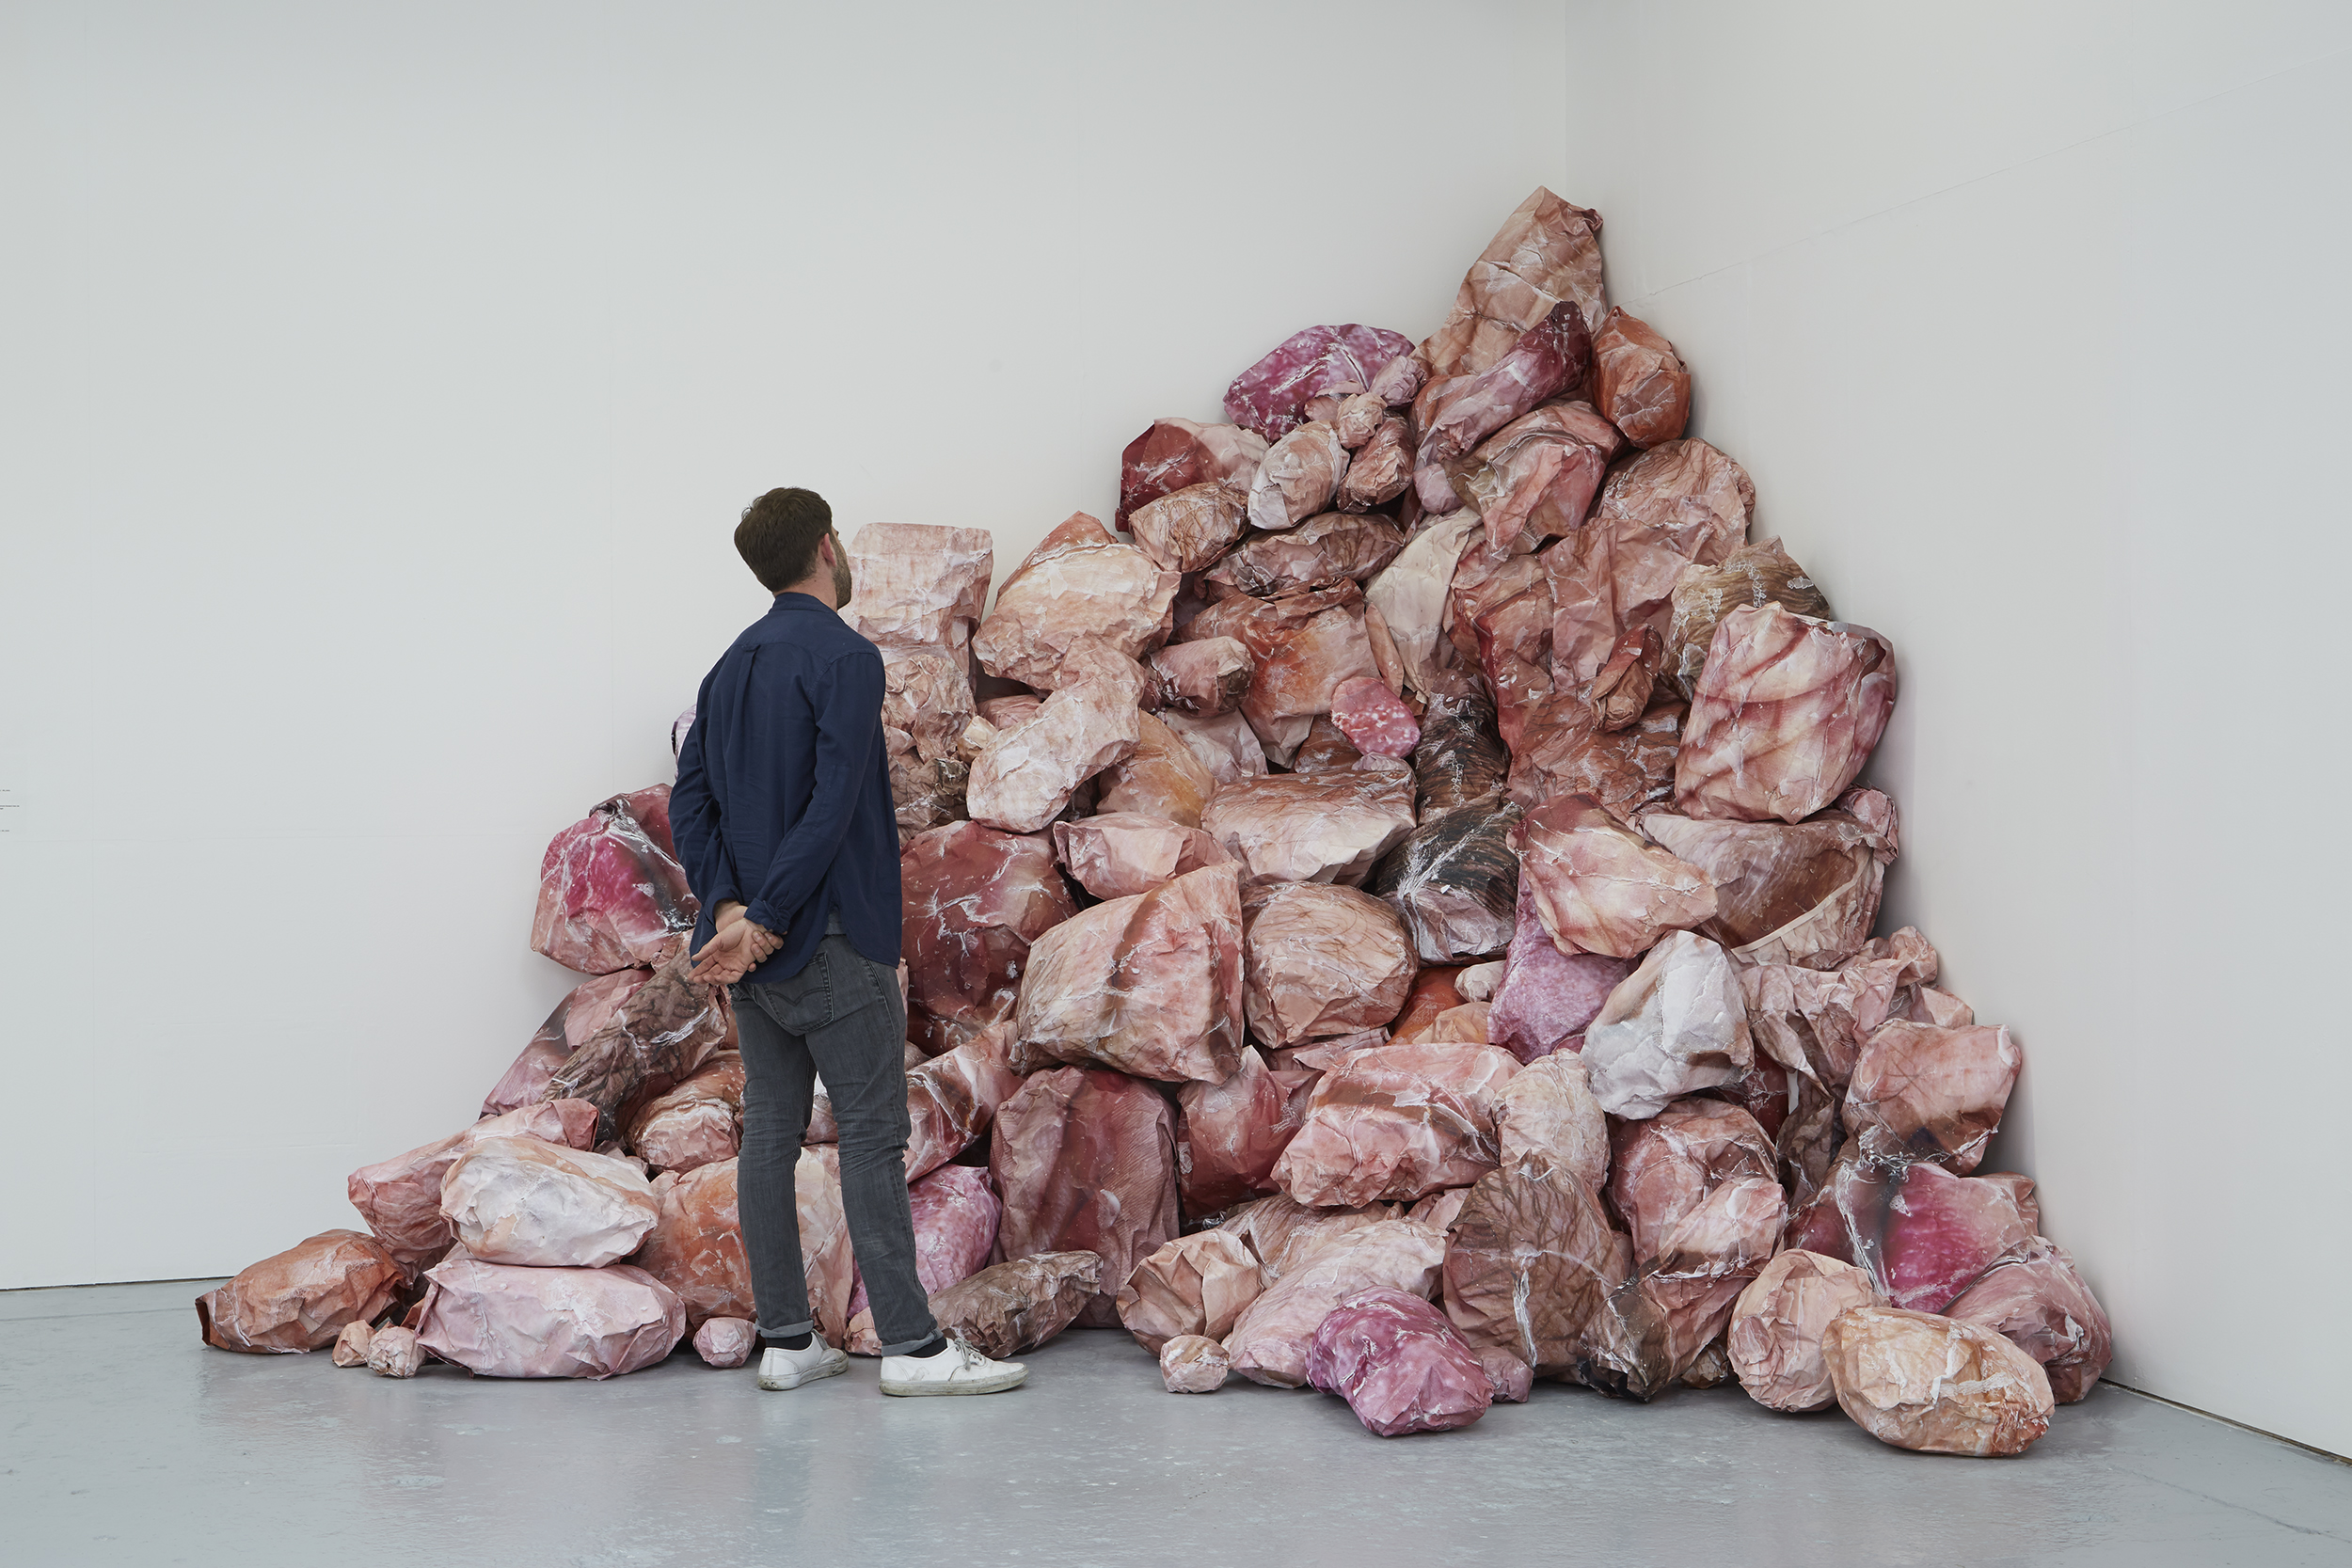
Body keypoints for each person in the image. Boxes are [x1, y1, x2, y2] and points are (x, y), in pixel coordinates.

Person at [668, 486, 1026, 1398]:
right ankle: (913, 1349)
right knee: (871, 1137)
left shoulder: (727, 668)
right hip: (829, 936)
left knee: (768, 1134)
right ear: (827, 547)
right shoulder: (847, 656)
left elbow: (691, 801)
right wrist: (767, 915)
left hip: (757, 954)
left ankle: (788, 1341)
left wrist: (730, 911)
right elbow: (831, 806)